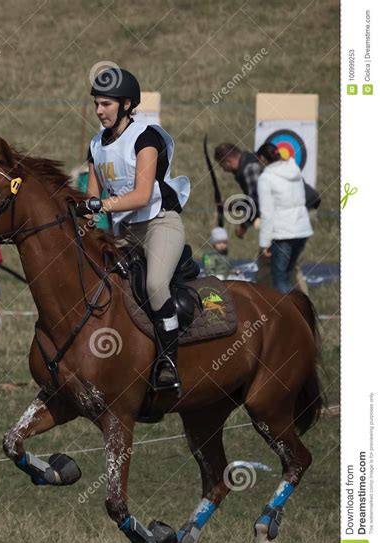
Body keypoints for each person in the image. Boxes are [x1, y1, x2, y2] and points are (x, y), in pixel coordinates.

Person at [86, 67, 190, 389]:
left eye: (106, 104)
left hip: (160, 223)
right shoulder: (95, 144)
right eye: (96, 104)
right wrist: (85, 217)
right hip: (125, 232)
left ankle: (168, 362)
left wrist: (101, 206)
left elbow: (142, 195)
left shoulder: (146, 137)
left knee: (156, 284)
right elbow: (92, 195)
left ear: (126, 104)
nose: (99, 111)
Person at [214, 141, 310, 293]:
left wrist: (244, 226)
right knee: (291, 271)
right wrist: (230, 204)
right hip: (301, 227)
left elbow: (259, 204)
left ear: (228, 161)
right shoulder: (290, 169)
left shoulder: (252, 169)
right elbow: (257, 199)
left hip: (283, 230)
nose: (223, 170)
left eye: (222, 165)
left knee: (272, 274)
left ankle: (274, 309)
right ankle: (303, 312)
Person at [256, 143, 313, 294]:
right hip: (302, 230)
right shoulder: (295, 171)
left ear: (263, 158)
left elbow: (267, 213)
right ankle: (299, 312)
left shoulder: (266, 178)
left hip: (283, 233)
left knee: (280, 278)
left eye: (259, 160)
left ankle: (289, 315)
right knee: (288, 274)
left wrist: (264, 243)